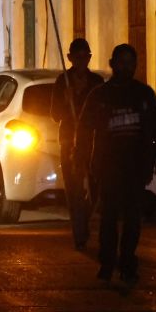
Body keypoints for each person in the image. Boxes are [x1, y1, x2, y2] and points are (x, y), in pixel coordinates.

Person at [74, 43, 156, 284]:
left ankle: (127, 262)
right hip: (108, 167)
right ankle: (107, 262)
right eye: (121, 62)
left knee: (133, 219)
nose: (126, 67)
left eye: (130, 63)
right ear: (112, 64)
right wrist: (80, 158)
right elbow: (84, 129)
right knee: (109, 216)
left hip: (137, 166)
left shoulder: (143, 94)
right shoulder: (100, 95)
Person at [51, 37, 104, 250]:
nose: (82, 61)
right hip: (69, 141)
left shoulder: (97, 83)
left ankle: (86, 219)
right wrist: (67, 100)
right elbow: (55, 114)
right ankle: (80, 232)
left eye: (85, 57)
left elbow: (103, 113)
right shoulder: (62, 82)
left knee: (95, 188)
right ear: (70, 58)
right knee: (74, 190)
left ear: (89, 58)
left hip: (92, 142)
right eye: (78, 57)